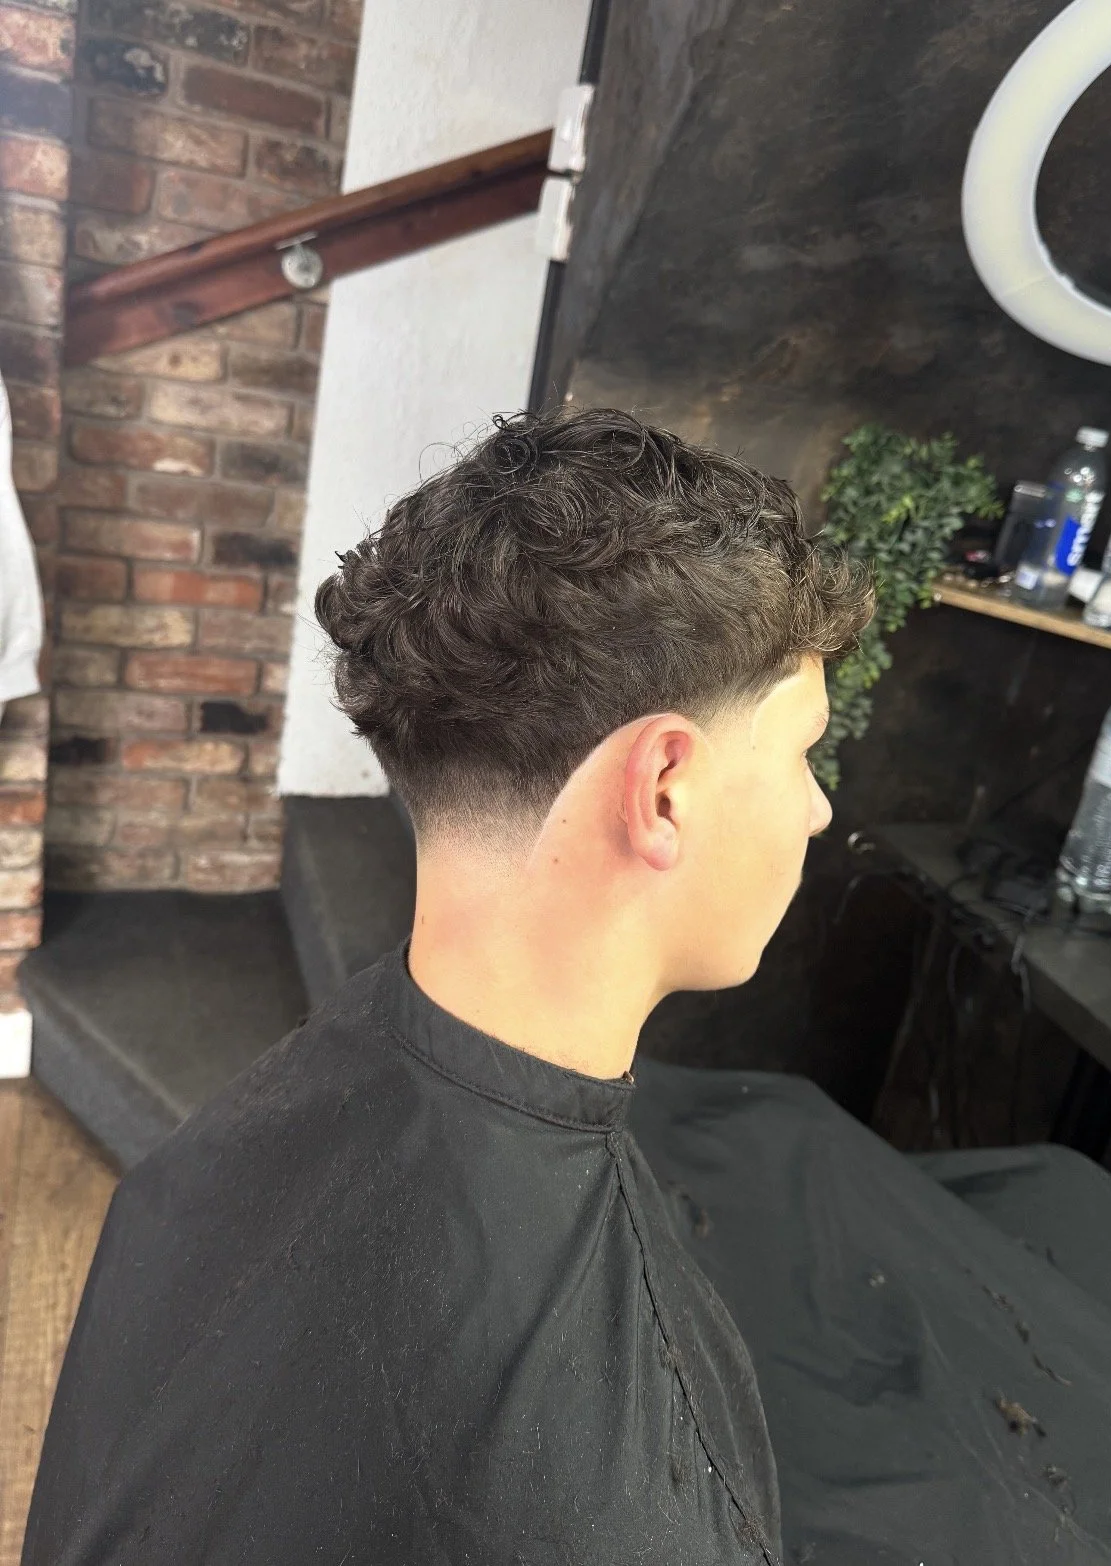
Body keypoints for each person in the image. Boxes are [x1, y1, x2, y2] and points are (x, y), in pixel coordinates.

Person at [22, 407, 873, 1565]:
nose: (819, 808)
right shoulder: (605, 1507)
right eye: (802, 752)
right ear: (664, 788)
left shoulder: (224, 1149)